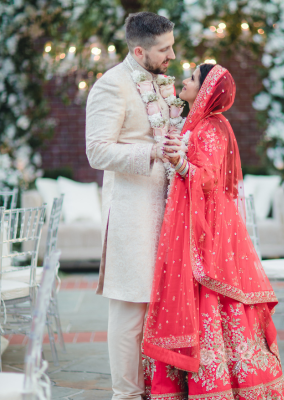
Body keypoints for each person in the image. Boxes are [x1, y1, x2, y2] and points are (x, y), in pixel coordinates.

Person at [142, 64, 284, 399]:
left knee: (209, 295)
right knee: (198, 295)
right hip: (198, 220)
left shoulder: (211, 127)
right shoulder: (201, 124)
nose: (184, 80)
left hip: (206, 225)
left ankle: (219, 384)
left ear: (207, 89)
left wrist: (180, 163)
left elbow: (207, 179)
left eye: (192, 78)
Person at [85, 12, 184, 400]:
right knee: (130, 309)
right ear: (139, 50)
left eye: (172, 45)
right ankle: (124, 394)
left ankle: (153, 388)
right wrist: (154, 152)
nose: (172, 55)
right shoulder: (111, 86)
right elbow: (96, 151)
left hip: (168, 210)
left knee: (157, 307)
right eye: (164, 49)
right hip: (132, 213)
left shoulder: (161, 82)